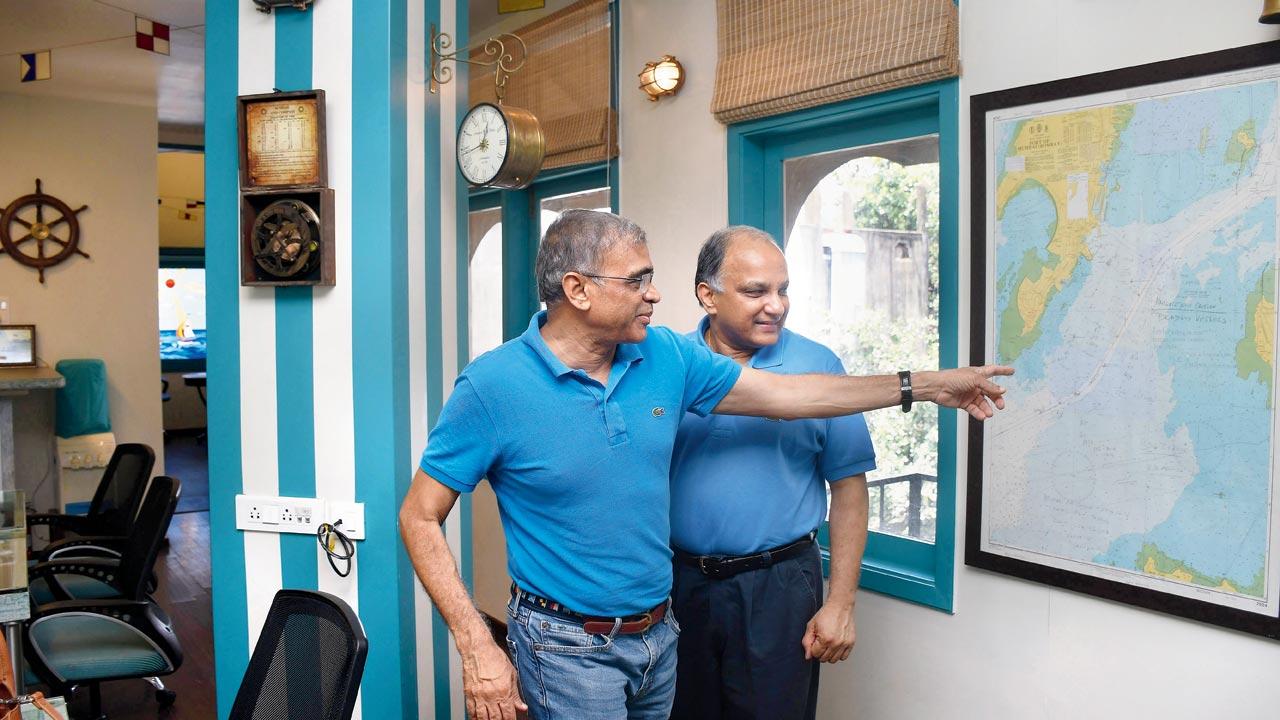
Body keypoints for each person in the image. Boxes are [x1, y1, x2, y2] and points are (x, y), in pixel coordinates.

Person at [398, 210, 1011, 720]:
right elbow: (419, 517)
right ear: (578, 290)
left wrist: (928, 385)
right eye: (637, 280)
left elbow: (790, 396)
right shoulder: (493, 386)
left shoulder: (662, 357)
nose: (655, 294)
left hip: (658, 636)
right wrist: (476, 642)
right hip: (566, 647)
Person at [669, 226, 875, 720]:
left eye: (783, 289)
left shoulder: (817, 365)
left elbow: (848, 488)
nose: (776, 305)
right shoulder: (668, 364)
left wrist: (841, 603)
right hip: (677, 583)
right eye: (756, 291)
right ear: (707, 295)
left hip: (780, 588)